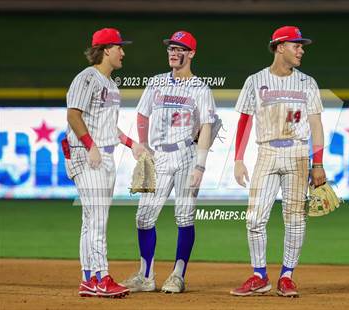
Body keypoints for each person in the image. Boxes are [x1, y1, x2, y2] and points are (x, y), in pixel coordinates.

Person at [230, 26, 327, 297]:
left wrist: (317, 163)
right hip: (267, 153)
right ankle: (259, 275)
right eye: (296, 45)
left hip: (297, 154)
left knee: (295, 218)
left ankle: (287, 276)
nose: (301, 49)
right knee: (254, 218)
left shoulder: (307, 82)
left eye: (301, 45)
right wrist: (238, 159)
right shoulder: (255, 80)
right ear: (280, 47)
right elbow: (244, 121)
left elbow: (317, 125)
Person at [121, 30, 216, 293]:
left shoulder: (200, 88)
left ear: (192, 53)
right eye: (171, 48)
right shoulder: (156, 82)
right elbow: (142, 114)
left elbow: (207, 126)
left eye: (180, 49)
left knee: (184, 216)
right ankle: (146, 275)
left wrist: (200, 165)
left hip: (186, 153)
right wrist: (144, 148)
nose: (174, 53)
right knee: (143, 217)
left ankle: (178, 275)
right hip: (159, 156)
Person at [63, 28, 140, 298]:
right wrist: (90, 145)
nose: (123, 52)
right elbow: (73, 115)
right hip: (87, 156)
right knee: (97, 220)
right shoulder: (87, 78)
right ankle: (101, 278)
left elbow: (111, 127)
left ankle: (89, 278)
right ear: (106, 49)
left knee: (91, 220)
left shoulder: (111, 85)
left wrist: (132, 144)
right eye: (119, 47)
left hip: (104, 156)